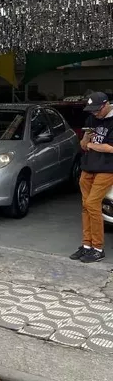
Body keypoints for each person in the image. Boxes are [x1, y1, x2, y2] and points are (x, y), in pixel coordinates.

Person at [70, 92, 113, 263]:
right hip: (88, 167)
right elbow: (82, 144)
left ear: (106, 104)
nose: (94, 113)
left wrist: (89, 144)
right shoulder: (91, 120)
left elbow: (110, 148)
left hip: (107, 169)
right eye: (92, 110)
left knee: (92, 204)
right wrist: (87, 140)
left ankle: (98, 248)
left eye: (97, 110)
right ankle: (86, 245)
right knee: (85, 206)